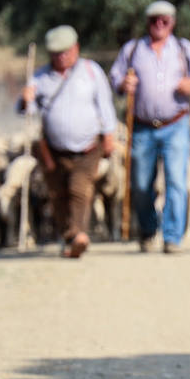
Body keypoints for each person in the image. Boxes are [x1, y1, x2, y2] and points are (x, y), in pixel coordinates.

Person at [110, 0, 190, 253]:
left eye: (164, 20)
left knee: (176, 181)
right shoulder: (133, 50)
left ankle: (172, 236)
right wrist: (123, 84)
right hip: (142, 126)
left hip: (175, 123)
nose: (159, 24)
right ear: (147, 23)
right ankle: (148, 230)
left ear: (172, 23)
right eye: (154, 20)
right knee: (140, 184)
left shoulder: (183, 48)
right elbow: (114, 77)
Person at [19, 25, 118, 258]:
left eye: (66, 52)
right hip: (54, 150)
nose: (62, 57)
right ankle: (69, 237)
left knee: (78, 188)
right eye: (56, 53)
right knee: (58, 194)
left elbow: (105, 105)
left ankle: (78, 234)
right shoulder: (40, 77)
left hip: (89, 146)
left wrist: (109, 135)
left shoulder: (91, 71)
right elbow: (27, 111)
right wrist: (25, 99)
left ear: (76, 49)